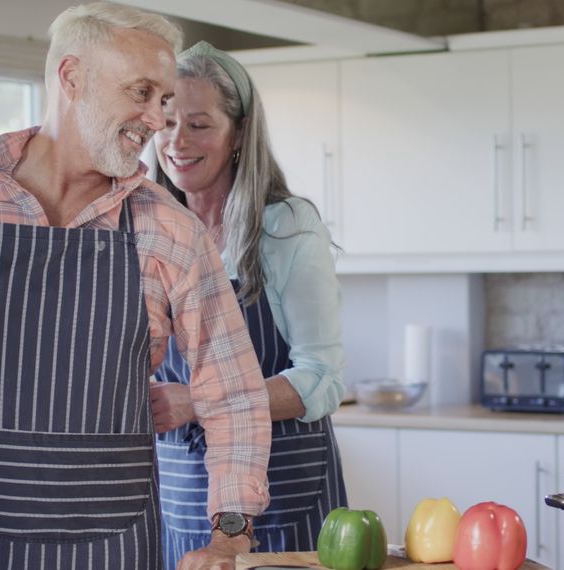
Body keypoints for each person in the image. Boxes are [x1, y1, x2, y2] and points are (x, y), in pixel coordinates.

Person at [0, 5, 271, 570]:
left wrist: (230, 534)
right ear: (72, 77)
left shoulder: (170, 230)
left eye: (163, 100)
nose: (158, 120)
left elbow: (233, 394)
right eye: (142, 92)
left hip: (109, 546)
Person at [149, 41, 347, 568]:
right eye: (166, 121)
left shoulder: (284, 227)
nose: (176, 141)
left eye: (199, 124)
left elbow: (323, 378)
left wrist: (196, 400)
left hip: (283, 500)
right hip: (179, 497)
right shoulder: (149, 231)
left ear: (238, 134)